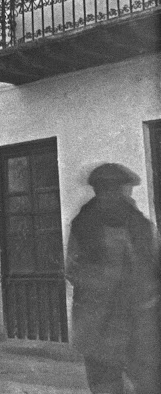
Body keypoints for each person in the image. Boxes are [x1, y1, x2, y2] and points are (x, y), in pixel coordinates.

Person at [66, 163, 161, 394]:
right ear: (98, 191)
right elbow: (72, 270)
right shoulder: (83, 224)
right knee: (105, 381)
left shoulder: (138, 223)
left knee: (147, 381)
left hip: (136, 318)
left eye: (117, 189)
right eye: (106, 189)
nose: (114, 194)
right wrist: (105, 279)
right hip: (99, 319)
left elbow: (151, 269)